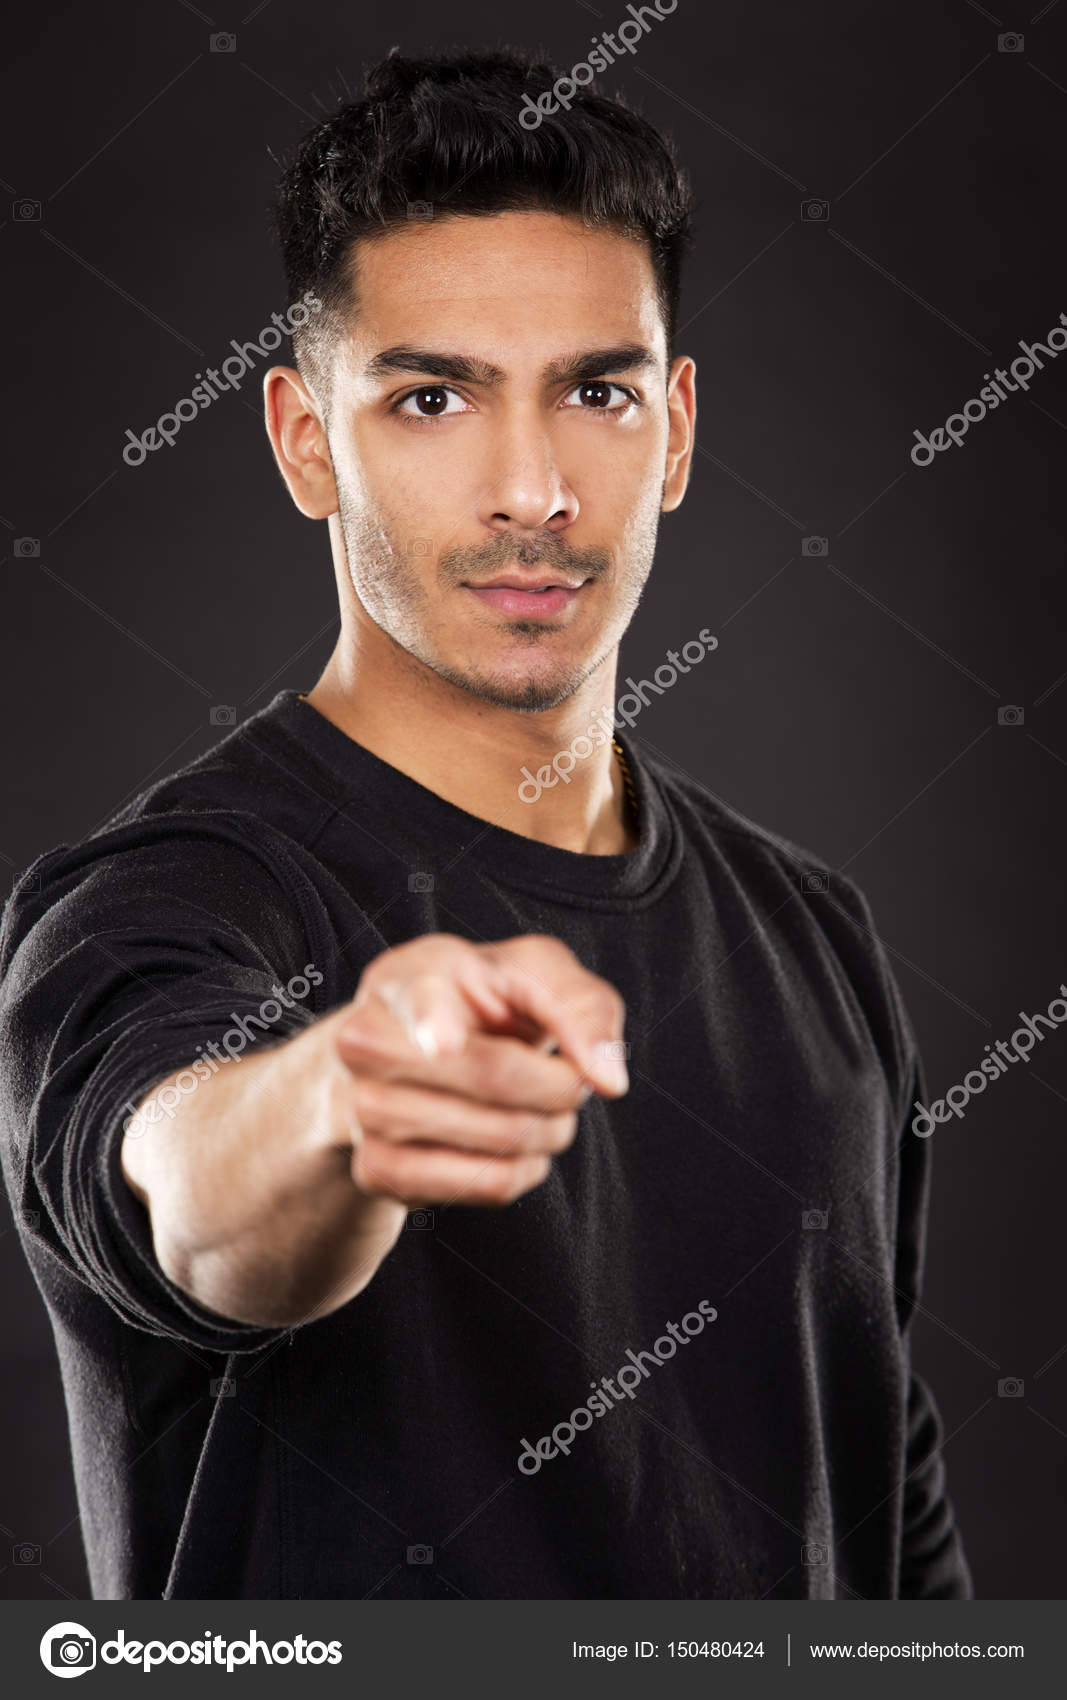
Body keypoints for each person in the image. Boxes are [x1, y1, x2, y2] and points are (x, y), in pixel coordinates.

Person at [0, 47, 970, 1602]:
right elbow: (181, 1193)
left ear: (676, 427)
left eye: (596, 391)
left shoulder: (814, 938)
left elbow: (879, 1501)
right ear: (308, 440)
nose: (534, 489)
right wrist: (337, 1104)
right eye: (434, 397)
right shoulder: (170, 899)